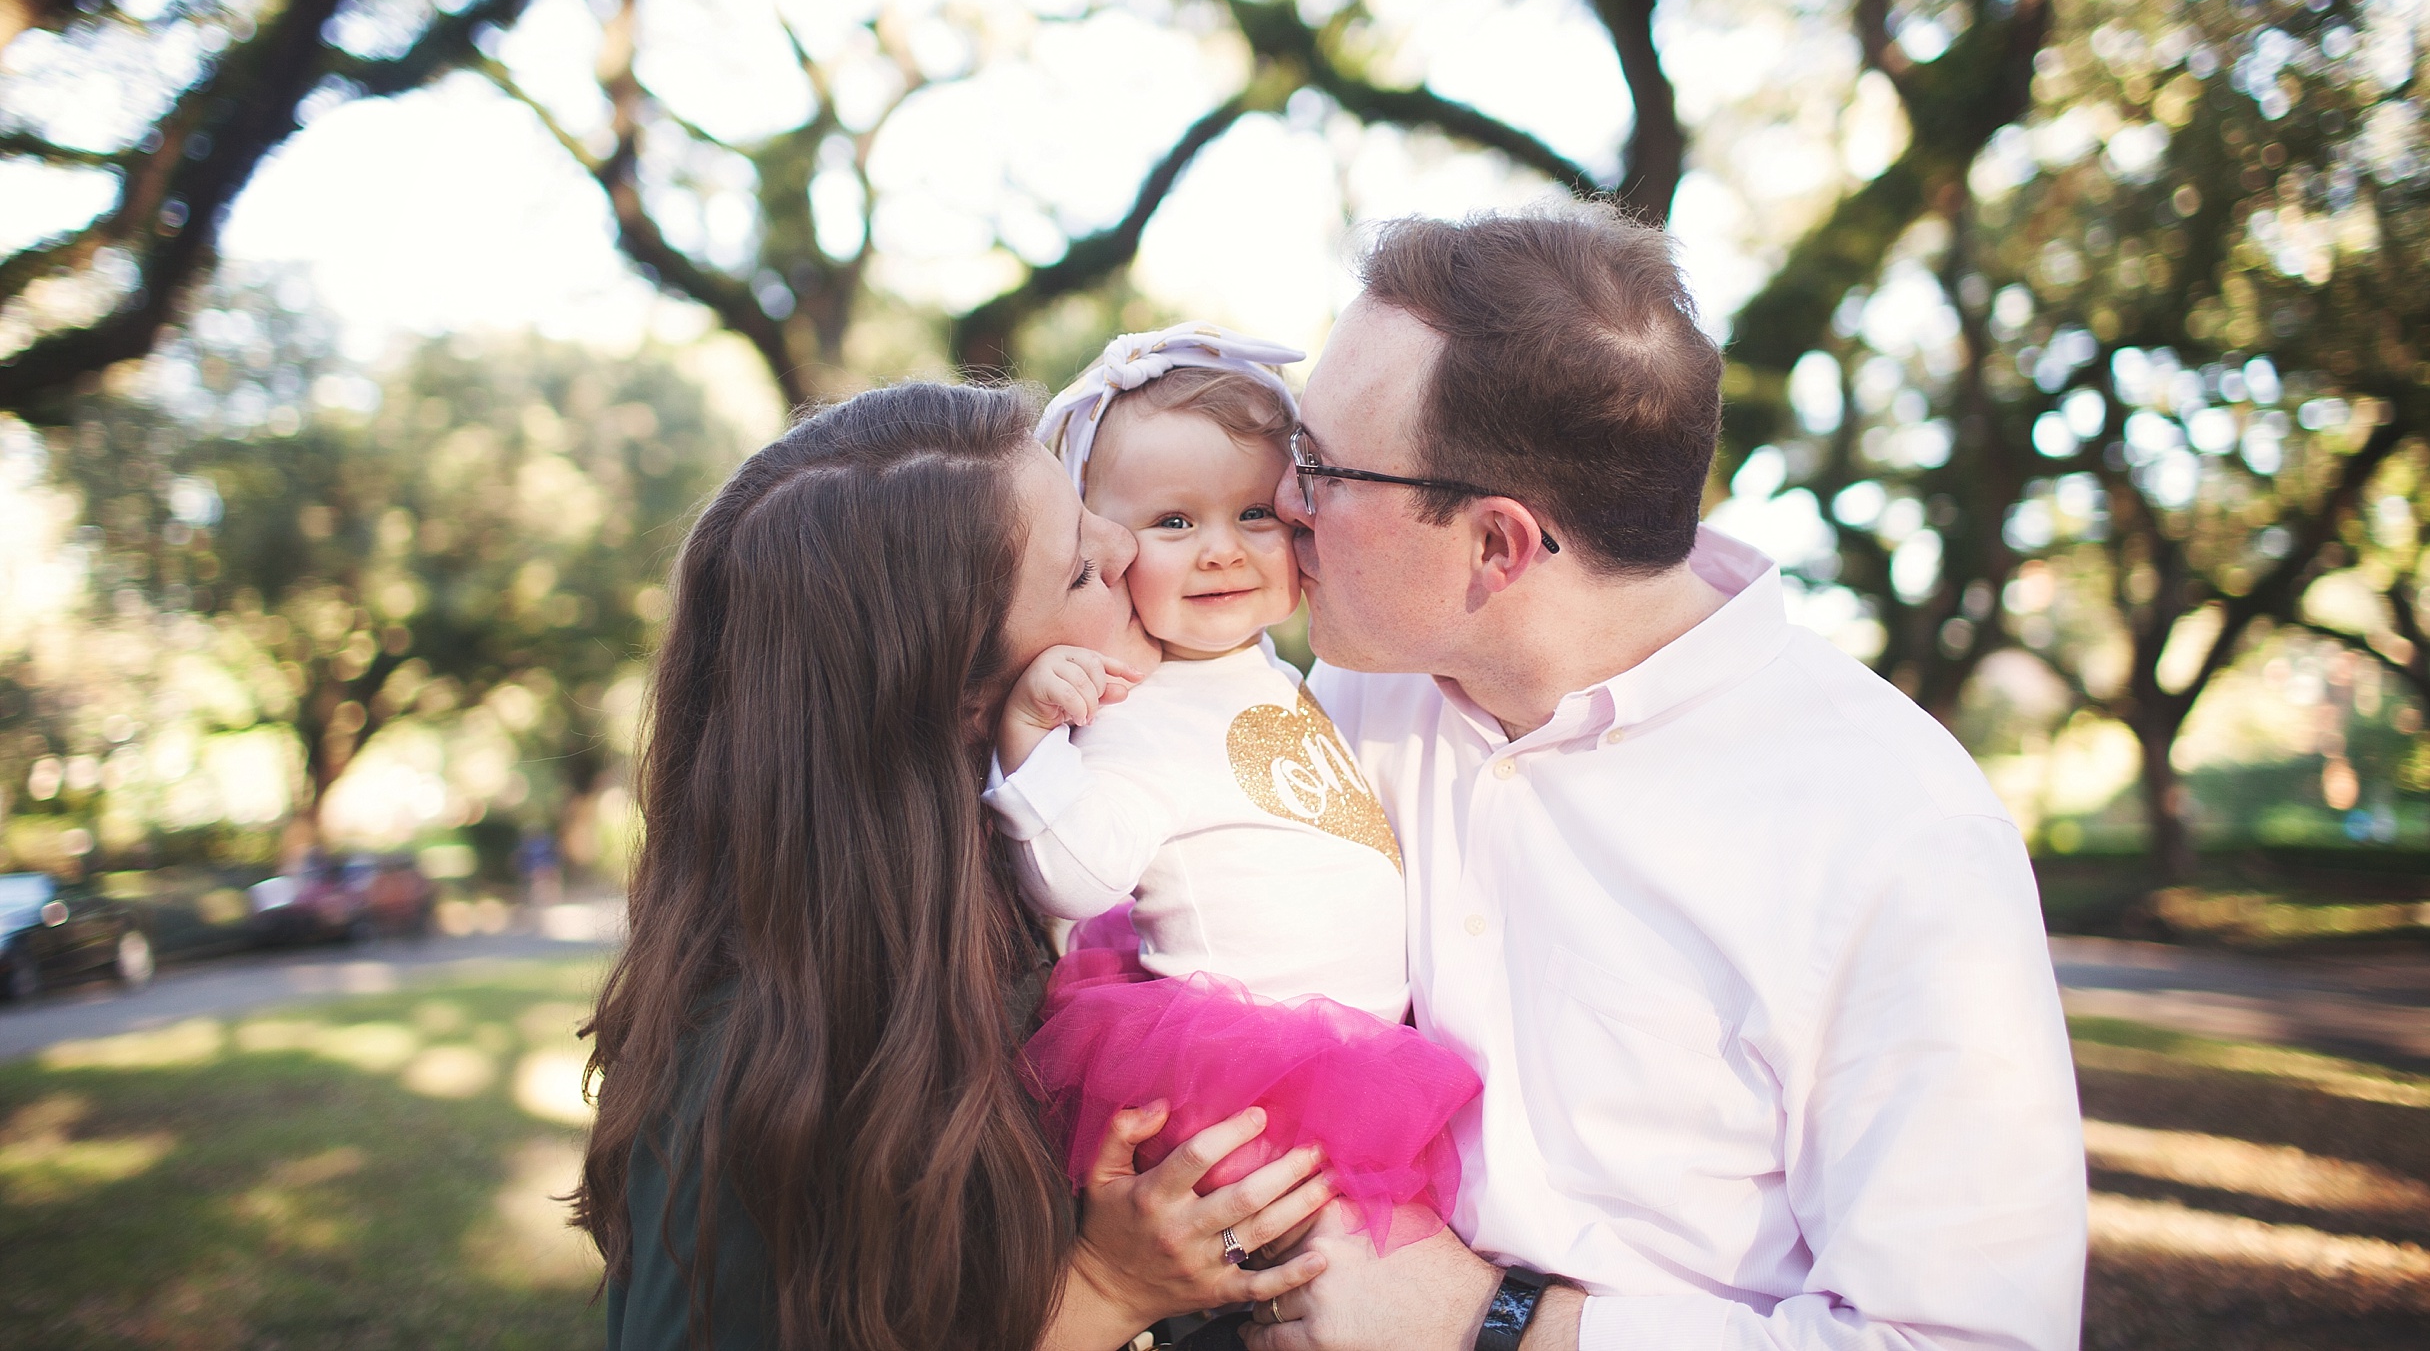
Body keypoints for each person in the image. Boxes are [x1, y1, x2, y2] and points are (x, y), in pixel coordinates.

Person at [1241, 206, 2087, 1350]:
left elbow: (1964, 1339)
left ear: (1499, 545)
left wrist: (1495, 1325)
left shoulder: (1900, 836)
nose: (1281, 504)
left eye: (1321, 469)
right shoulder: (1360, 692)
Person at [573, 381, 1335, 1351]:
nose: (1127, 547)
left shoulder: (1036, 865)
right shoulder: (767, 1062)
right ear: (964, 701)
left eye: (1087, 512)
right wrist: (1104, 1289)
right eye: (1077, 574)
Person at [987, 325, 1481, 1260]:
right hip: (1246, 1084)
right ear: (1105, 543)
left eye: (1255, 515)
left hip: (1360, 1059)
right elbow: (1076, 876)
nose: (1222, 552)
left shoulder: (1268, 666)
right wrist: (1028, 738)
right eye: (1174, 523)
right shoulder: (1137, 707)